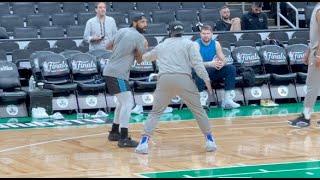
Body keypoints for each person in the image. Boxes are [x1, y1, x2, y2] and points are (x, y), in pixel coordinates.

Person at [135, 21, 217, 154]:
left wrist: (140, 52)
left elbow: (146, 57)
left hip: (165, 79)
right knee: (198, 110)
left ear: (170, 31)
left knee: (156, 112)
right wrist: (207, 81)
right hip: (184, 79)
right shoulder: (190, 44)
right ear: (182, 32)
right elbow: (198, 65)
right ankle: (210, 140)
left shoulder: (162, 45)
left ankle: (143, 143)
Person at [103, 13, 148, 147]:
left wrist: (124, 50)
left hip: (110, 70)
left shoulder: (121, 30)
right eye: (143, 22)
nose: (146, 25)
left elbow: (107, 46)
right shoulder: (139, 37)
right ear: (135, 23)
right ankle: (123, 138)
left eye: (146, 22)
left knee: (121, 103)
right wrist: (143, 47)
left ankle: (114, 133)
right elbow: (140, 60)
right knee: (128, 103)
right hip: (119, 74)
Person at [193, 24, 240, 109]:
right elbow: (195, 63)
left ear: (211, 34)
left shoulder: (216, 44)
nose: (206, 35)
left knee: (231, 68)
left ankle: (227, 100)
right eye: (204, 33)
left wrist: (222, 63)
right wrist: (210, 63)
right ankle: (201, 100)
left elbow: (224, 59)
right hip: (199, 70)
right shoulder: (196, 44)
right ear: (200, 34)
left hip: (211, 70)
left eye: (208, 33)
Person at [288, 3, 320, 128]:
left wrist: (318, 55)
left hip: (317, 52)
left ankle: (305, 117)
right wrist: (308, 51)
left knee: (312, 85)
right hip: (314, 50)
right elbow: (315, 35)